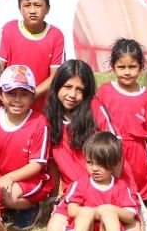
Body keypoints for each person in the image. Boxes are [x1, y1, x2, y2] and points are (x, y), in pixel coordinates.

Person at [57, 132, 146, 231]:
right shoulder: (81, 183)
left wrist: (109, 210)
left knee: (109, 211)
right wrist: (94, 212)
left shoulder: (121, 186)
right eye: (90, 162)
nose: (94, 168)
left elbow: (130, 215)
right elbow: (72, 210)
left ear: (113, 164)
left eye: (100, 164)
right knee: (85, 211)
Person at [95, 39, 147, 231]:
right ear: (113, 67)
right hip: (113, 148)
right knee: (117, 183)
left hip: (138, 149)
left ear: (141, 67)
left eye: (132, 67)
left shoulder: (146, 94)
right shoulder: (105, 90)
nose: (127, 71)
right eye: (121, 67)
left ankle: (139, 198)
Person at [0, 64, 51, 230]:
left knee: (8, 195)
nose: (17, 100)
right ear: (1, 94)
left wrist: (10, 178)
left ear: (33, 95)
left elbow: (37, 164)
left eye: (24, 94)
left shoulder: (39, 122)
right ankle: (7, 209)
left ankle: (30, 207)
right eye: (11, 93)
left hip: (28, 179)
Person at [43, 59, 112, 193]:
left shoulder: (95, 109)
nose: (72, 95)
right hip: (73, 191)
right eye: (68, 87)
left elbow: (115, 148)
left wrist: (113, 189)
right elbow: (52, 162)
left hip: (101, 186)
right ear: (57, 86)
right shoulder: (49, 116)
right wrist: (53, 195)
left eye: (79, 89)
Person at [0, 0, 64, 99]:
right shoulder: (9, 29)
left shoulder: (56, 35)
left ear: (47, 9)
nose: (32, 10)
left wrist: (30, 96)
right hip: (10, 100)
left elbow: (55, 76)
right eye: (27, 5)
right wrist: (8, 95)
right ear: (20, 8)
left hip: (39, 101)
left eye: (37, 5)